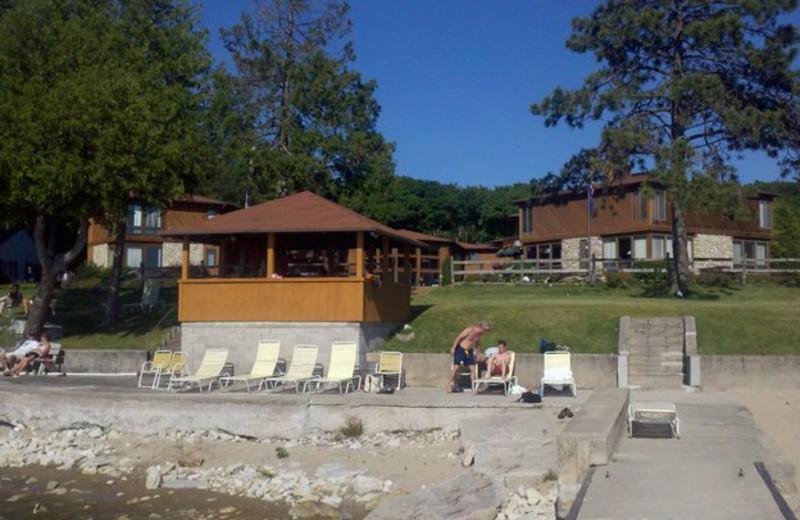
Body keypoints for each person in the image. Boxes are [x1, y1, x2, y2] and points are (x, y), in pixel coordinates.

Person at [446, 321, 491, 393]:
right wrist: (453, 348)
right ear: (481, 328)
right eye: (485, 331)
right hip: (461, 349)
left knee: (473, 368)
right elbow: (459, 337)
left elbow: (478, 343)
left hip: (468, 351)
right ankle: (449, 385)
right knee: (456, 367)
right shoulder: (470, 330)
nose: (484, 333)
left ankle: (474, 387)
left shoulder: (479, 334)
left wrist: (478, 352)